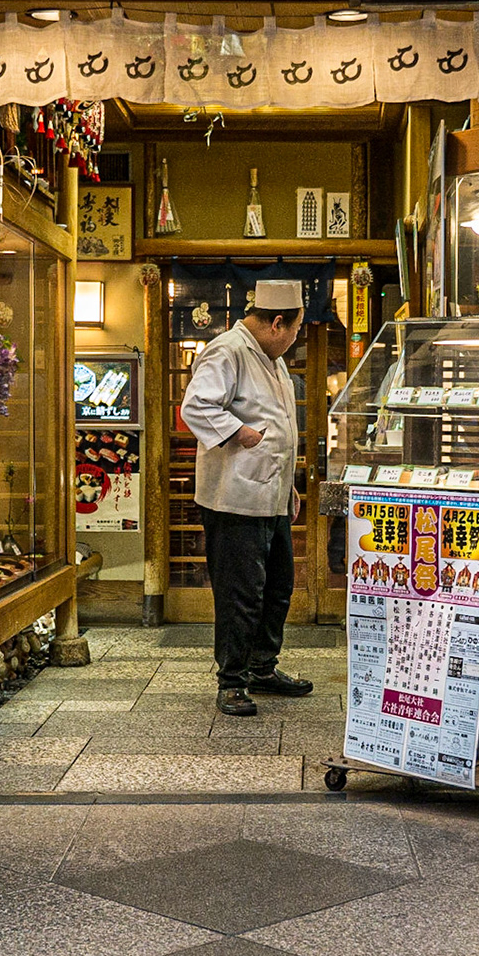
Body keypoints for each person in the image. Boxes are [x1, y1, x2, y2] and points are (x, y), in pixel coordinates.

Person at [180, 279, 316, 717]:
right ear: (278, 323)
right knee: (241, 593)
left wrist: (288, 483)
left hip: (271, 493)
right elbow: (196, 406)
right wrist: (239, 431)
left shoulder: (271, 358)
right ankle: (232, 680)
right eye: (295, 331)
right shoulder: (228, 350)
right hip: (234, 499)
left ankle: (262, 667)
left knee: (277, 588)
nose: (296, 340)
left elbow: (276, 428)